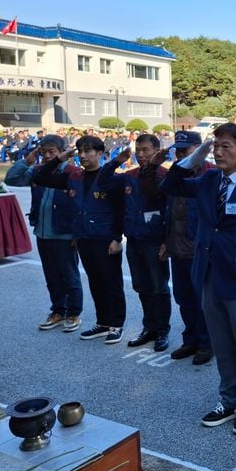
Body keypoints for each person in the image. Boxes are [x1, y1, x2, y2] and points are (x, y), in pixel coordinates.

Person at [160, 122, 236, 435]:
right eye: (217, 145)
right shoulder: (210, 178)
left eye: (227, 146)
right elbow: (170, 184)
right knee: (222, 344)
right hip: (209, 273)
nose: (220, 151)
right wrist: (196, 155)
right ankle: (228, 399)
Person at [33, 136, 127, 345]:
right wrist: (59, 159)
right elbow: (41, 178)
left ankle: (116, 325)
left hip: (105, 239)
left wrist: (116, 238)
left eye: (88, 151)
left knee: (111, 282)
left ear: (100, 153)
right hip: (84, 237)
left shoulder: (112, 178)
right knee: (95, 281)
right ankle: (102, 323)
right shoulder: (74, 176)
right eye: (80, 151)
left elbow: (120, 210)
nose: (83, 156)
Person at [98, 134, 171, 352]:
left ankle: (162, 331)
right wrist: (116, 162)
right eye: (138, 150)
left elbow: (170, 211)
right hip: (135, 240)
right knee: (142, 287)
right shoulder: (129, 176)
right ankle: (149, 328)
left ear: (157, 151)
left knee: (159, 288)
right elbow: (103, 183)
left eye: (146, 150)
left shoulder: (165, 175)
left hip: (155, 241)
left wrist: (167, 241)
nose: (141, 154)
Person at [5, 135, 83, 332]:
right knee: (52, 276)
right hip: (43, 232)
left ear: (63, 152)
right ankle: (58, 310)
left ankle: (73, 313)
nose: (47, 156)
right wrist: (26, 161)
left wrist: (77, 233)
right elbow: (12, 178)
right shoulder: (37, 171)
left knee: (69, 275)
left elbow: (82, 206)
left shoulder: (74, 173)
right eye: (43, 152)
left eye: (52, 152)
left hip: (64, 233)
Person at [162, 131, 214, 365]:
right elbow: (169, 211)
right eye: (178, 149)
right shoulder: (177, 174)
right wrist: (166, 241)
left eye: (186, 149)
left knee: (203, 300)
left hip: (199, 249)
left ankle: (206, 342)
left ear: (199, 148)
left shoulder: (211, 174)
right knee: (183, 298)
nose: (181, 153)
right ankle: (190, 339)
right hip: (177, 247)